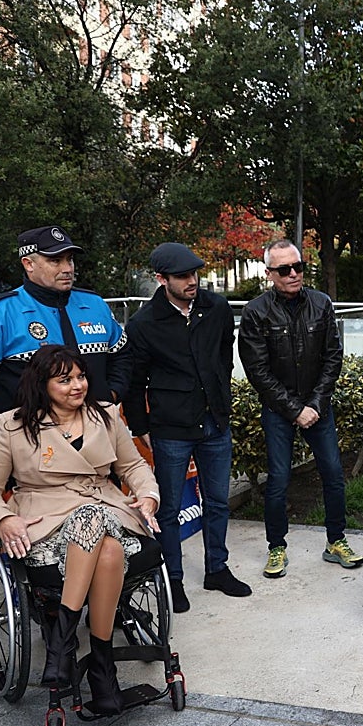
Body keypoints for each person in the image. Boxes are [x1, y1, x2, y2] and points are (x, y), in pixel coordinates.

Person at [0, 345, 163, 715]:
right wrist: (4, 519)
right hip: (45, 520)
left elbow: (133, 465)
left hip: (106, 508)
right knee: (108, 547)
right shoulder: (13, 425)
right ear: (42, 384)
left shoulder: (105, 415)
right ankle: (101, 670)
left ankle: (63, 643)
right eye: (64, 379)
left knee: (99, 527)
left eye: (81, 376)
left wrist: (148, 495)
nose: (78, 386)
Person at [122, 243, 251, 613]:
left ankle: (217, 569)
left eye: (194, 273)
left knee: (217, 501)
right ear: (162, 280)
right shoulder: (144, 324)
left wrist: (221, 397)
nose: (191, 281)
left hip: (215, 420)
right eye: (182, 276)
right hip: (170, 427)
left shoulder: (217, 308)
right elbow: (134, 381)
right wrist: (140, 425)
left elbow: (224, 355)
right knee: (169, 507)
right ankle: (172, 579)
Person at [238, 239, 363, 577]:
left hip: (317, 406)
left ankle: (336, 541)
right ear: (269, 274)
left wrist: (316, 404)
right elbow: (258, 372)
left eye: (298, 267)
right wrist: (295, 410)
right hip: (280, 410)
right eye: (284, 269)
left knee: (334, 474)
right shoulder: (256, 312)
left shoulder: (321, 304)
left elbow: (332, 356)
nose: (293, 274)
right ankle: (276, 547)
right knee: (278, 479)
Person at [0, 225, 131, 454]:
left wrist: (110, 394)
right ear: (28, 264)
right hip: (31, 453)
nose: (67, 268)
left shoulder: (95, 305)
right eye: (56, 261)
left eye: (70, 259)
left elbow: (123, 355)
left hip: (98, 442)